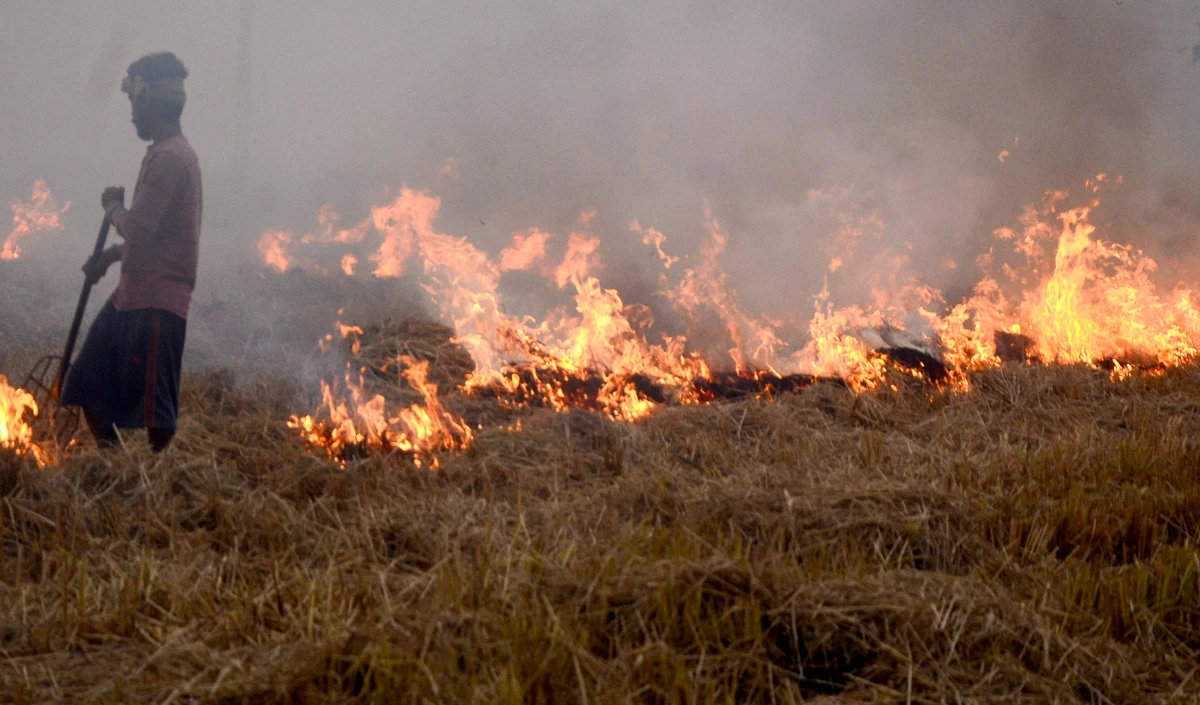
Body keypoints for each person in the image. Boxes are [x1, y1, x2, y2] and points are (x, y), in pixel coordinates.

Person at [61, 52, 202, 452]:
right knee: (86, 384)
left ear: (148, 101)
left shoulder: (172, 159)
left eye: (132, 104)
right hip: (131, 296)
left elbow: (139, 227)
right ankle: (115, 468)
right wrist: (108, 259)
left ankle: (156, 484)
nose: (131, 115)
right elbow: (154, 236)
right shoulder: (163, 154)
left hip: (158, 302)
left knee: (157, 418)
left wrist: (112, 208)